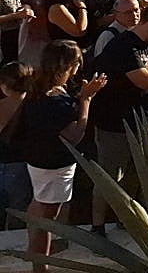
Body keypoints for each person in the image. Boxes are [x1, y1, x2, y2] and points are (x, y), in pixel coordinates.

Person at [90, 1, 148, 235]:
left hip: (146, 117)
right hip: (116, 122)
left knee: (141, 172)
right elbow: (146, 80)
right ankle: (98, 225)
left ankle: (126, 218)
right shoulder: (123, 46)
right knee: (109, 175)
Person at [16, 42, 106, 273]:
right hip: (54, 165)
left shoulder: (41, 87)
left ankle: (37, 255)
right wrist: (86, 100)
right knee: (47, 217)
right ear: (68, 65)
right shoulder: (52, 98)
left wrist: (79, 96)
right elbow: (74, 134)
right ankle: (41, 266)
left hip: (38, 160)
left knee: (38, 206)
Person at [0, 62, 33, 230]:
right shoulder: (34, 107)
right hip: (23, 166)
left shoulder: (2, 106)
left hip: (3, 162)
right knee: (19, 213)